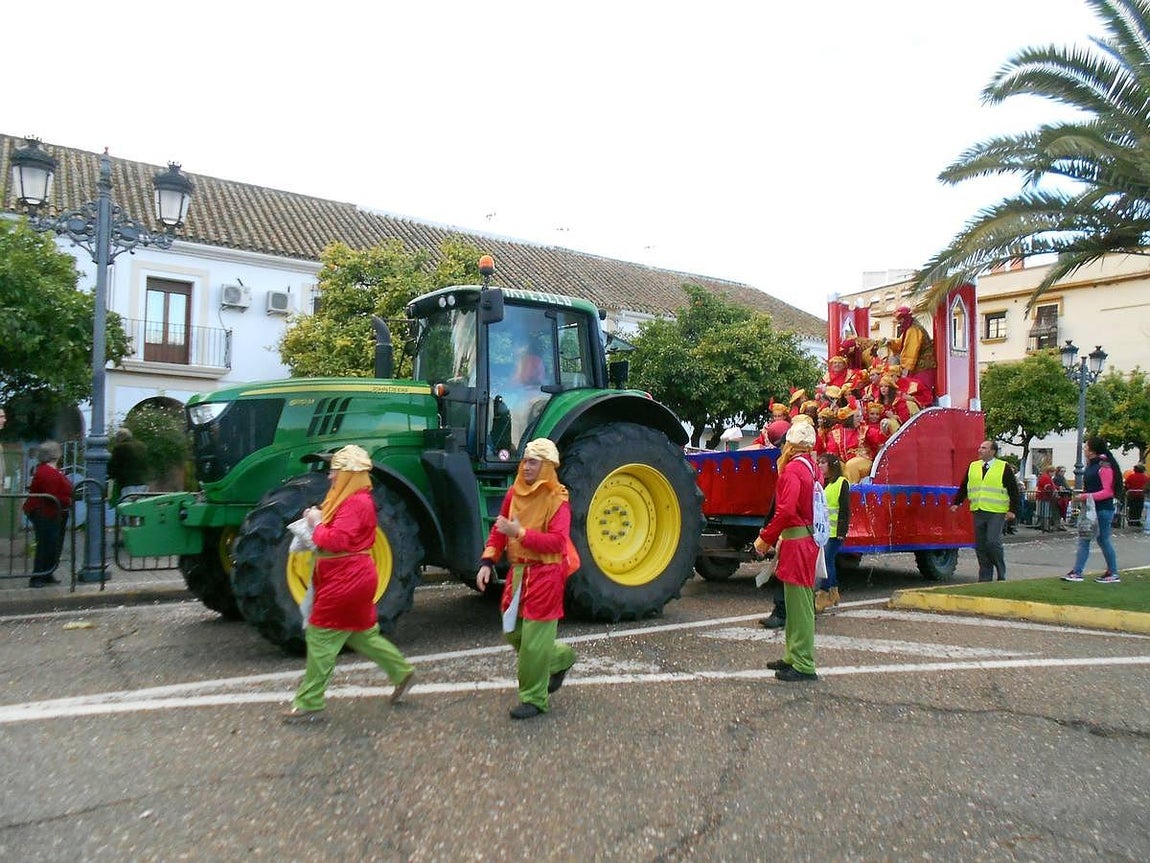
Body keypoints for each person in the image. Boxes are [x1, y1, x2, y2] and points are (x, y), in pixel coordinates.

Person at [283, 444, 415, 724]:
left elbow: (334, 540)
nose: (330, 477)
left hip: (344, 579)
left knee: (320, 638)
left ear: (348, 474)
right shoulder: (352, 499)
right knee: (361, 634)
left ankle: (309, 702)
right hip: (350, 577)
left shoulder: (355, 502)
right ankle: (401, 671)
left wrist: (315, 523)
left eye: (334, 471)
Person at [476, 438, 577, 719]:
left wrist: (519, 534)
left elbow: (557, 543)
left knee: (533, 643)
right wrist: (487, 561)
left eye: (533, 462)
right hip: (518, 572)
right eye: (525, 460)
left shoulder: (558, 500)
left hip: (546, 574)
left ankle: (534, 698)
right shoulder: (514, 493)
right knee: (512, 631)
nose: (526, 466)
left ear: (546, 466)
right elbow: (500, 529)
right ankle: (560, 657)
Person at [754, 422, 821, 682]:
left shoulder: (793, 470)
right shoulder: (812, 468)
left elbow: (785, 510)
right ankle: (794, 655)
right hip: (805, 540)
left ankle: (803, 662)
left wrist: (765, 539)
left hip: (796, 541)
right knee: (796, 604)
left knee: (800, 606)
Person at [950, 440, 1020, 582]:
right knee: (980, 545)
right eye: (980, 447)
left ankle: (1000, 569)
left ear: (992, 451)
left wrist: (1012, 510)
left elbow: (1013, 490)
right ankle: (985, 576)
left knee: (993, 542)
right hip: (978, 509)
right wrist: (957, 502)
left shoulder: (1003, 467)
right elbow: (965, 485)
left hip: (996, 511)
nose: (979, 450)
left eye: (984, 448)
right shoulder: (973, 466)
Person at [1061, 437, 1123, 584]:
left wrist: (1085, 496)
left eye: (1086, 446)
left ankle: (1112, 572)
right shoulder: (1093, 465)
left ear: (1093, 450)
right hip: (1090, 509)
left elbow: (1108, 491)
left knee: (1102, 539)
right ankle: (1078, 571)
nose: (1084, 449)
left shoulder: (1104, 466)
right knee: (1085, 539)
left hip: (1102, 509)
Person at [23, 440, 73, 587]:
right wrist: (68, 500)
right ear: (55, 454)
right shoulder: (47, 472)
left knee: (52, 544)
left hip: (50, 511)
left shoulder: (49, 470)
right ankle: (38, 576)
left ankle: (47, 573)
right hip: (45, 512)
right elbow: (52, 495)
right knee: (46, 544)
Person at [814, 452, 850, 613]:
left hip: (835, 532)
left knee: (826, 562)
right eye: (819, 462)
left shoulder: (842, 482)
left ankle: (824, 594)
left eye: (823, 463)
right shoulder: (823, 483)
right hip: (824, 531)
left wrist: (842, 531)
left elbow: (844, 509)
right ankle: (834, 592)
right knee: (829, 561)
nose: (820, 465)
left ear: (832, 465)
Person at [885, 305, 937, 400]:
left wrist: (904, 369)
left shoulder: (914, 330)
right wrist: (891, 343)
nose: (899, 322)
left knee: (919, 390)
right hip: (917, 366)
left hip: (923, 366)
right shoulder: (909, 329)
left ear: (905, 318)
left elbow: (910, 352)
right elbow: (901, 343)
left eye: (900, 319)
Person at [107, 428, 150, 502]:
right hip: (143, 482)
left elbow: (113, 466)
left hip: (128, 483)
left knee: (127, 507)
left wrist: (111, 476)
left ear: (120, 437)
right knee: (140, 507)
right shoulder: (142, 446)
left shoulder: (120, 448)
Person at [1036, 465, 1057, 532]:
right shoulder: (1046, 478)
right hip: (1044, 497)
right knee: (1046, 513)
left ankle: (1045, 527)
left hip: (1045, 497)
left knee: (1045, 512)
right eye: (1053, 472)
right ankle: (1045, 527)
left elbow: (1052, 486)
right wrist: (1055, 490)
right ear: (1050, 472)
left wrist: (1057, 488)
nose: (1054, 474)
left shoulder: (1047, 477)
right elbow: (1048, 487)